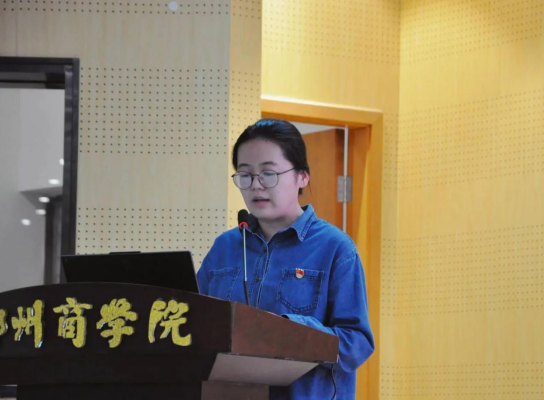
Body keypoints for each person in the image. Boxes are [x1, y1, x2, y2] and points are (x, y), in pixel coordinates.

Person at [197, 118, 374, 400]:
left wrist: (289, 330)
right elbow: (195, 322)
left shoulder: (335, 248)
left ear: (302, 176)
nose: (256, 186)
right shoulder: (225, 247)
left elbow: (357, 345)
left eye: (268, 174)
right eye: (245, 175)